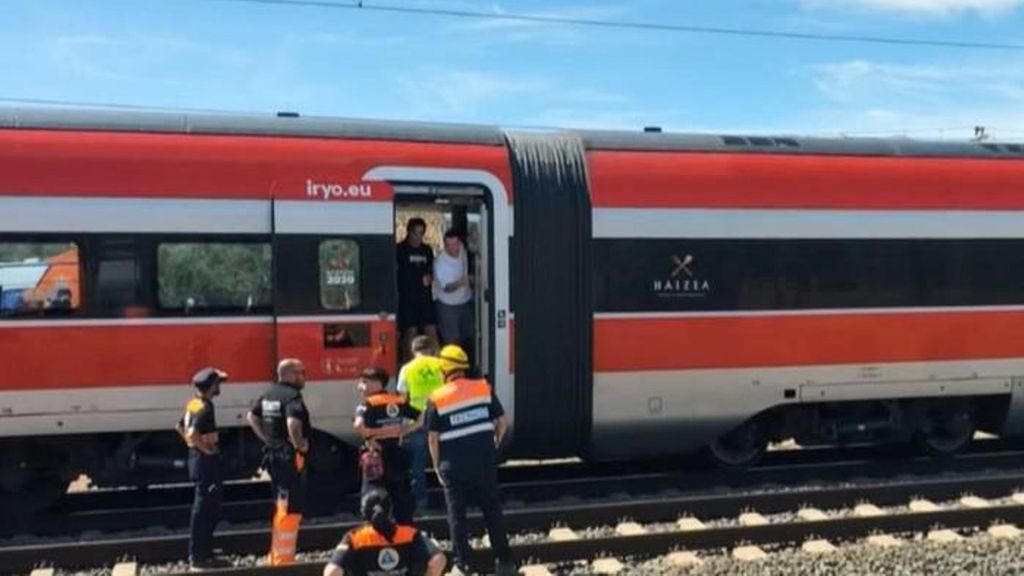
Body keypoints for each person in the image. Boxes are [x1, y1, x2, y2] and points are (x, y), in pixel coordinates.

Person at [425, 345, 515, 576]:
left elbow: (433, 439)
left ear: (444, 369)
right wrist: (493, 445)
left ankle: (463, 564)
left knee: (457, 516)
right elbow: (502, 421)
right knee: (492, 510)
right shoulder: (483, 388)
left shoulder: (437, 398)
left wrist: (436, 466)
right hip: (483, 462)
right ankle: (504, 561)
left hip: (453, 466)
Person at [246, 358, 312, 566]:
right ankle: (284, 558)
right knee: (290, 508)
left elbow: (251, 416)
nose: (304, 376)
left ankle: (276, 554)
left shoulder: (269, 394)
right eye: (302, 372)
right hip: (289, 458)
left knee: (280, 503)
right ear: (290, 374)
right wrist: (300, 444)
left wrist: (267, 439)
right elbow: (293, 422)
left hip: (274, 456)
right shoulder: (292, 396)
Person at [176, 367, 230, 571]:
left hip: (196, 461)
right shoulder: (205, 406)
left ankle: (204, 551)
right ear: (211, 386)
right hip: (206, 464)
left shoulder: (194, 402)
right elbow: (191, 433)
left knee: (206, 506)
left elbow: (179, 426)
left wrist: (193, 446)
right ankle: (198, 556)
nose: (219, 387)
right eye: (218, 383)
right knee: (206, 508)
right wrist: (205, 449)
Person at [323, 489, 446, 576]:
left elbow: (332, 572)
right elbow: (439, 560)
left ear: (364, 514)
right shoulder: (410, 534)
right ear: (390, 511)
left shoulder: (354, 538)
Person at [353, 367, 420, 523]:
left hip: (376, 457)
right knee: (401, 499)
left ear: (377, 383)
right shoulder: (398, 401)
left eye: (364, 382)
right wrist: (404, 430)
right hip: (397, 455)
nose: (359, 387)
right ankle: (405, 535)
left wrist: (370, 435)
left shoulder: (367, 403)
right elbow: (423, 416)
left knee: (373, 497)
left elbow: (358, 425)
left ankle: (376, 531)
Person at [395, 335, 445, 512]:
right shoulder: (441, 365)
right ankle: (451, 498)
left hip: (416, 421)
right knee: (445, 460)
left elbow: (402, 398)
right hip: (441, 417)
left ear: (413, 351)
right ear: (432, 349)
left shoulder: (407, 369)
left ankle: (421, 503)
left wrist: (402, 428)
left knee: (417, 466)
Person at [396, 217, 438, 363]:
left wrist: (430, 277)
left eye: (421, 233)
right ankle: (408, 366)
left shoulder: (427, 250)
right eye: (415, 233)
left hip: (425, 298)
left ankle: (438, 364)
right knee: (410, 332)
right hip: (407, 298)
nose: (418, 237)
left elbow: (431, 269)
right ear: (408, 232)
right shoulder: (399, 249)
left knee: (431, 330)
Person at [433, 230, 473, 351]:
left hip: (465, 302)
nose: (453, 248)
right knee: (452, 341)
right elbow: (447, 288)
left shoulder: (462, 249)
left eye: (455, 244)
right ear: (444, 245)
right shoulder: (441, 262)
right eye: (449, 245)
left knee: (469, 336)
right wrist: (463, 282)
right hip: (448, 305)